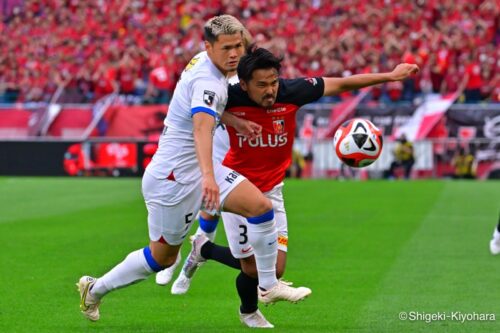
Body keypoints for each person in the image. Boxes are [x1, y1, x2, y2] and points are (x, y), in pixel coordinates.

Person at [76, 15, 311, 323]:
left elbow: (209, 111)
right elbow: (201, 128)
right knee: (160, 258)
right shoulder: (207, 81)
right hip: (173, 178)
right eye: (227, 48)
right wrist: (210, 179)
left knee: (260, 207)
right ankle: (94, 289)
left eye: (238, 46)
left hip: (198, 169)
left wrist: (235, 122)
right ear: (208, 47)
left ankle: (268, 285)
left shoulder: (207, 60)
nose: (235, 54)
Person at [164, 46, 419, 327]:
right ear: (244, 84)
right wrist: (232, 120)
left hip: (273, 190)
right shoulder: (230, 96)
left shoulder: (291, 92)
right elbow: (190, 109)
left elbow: (342, 83)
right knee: (252, 268)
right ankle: (245, 305)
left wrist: (390, 76)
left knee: (274, 268)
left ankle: (206, 252)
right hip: (239, 190)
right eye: (261, 85)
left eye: (273, 82)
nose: (270, 90)